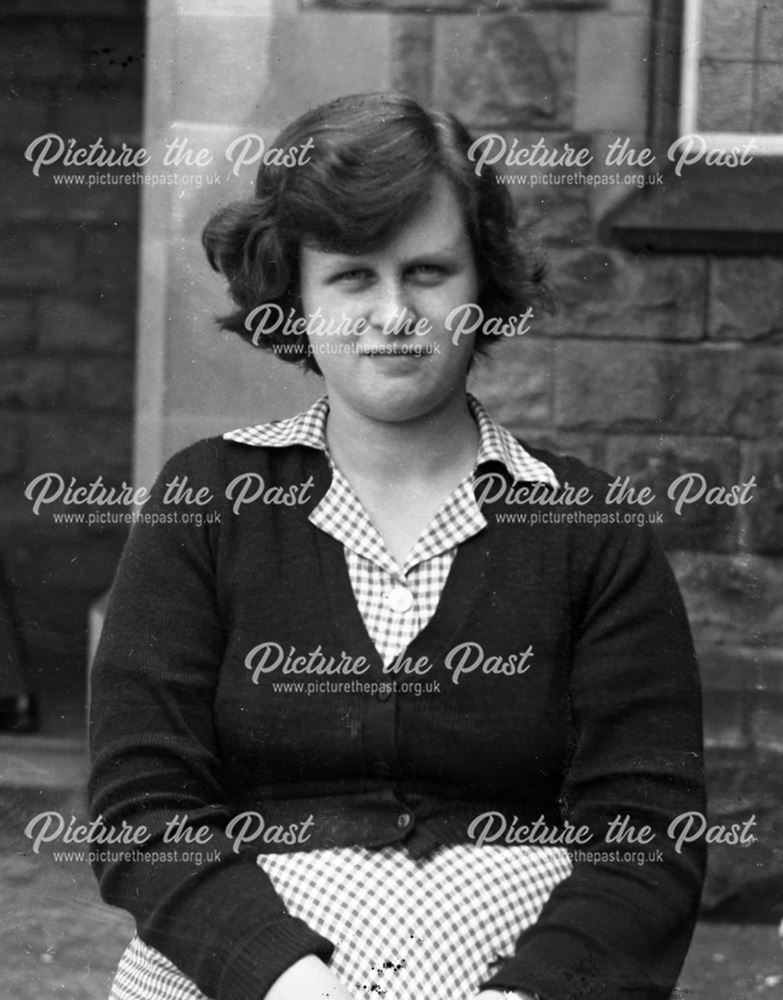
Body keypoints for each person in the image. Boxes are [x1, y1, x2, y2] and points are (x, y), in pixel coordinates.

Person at [89, 92, 706, 1000]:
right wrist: (287, 979)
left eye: (426, 273)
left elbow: (648, 832)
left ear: (481, 285)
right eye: (350, 276)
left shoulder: (586, 526)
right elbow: (143, 809)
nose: (393, 314)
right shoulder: (210, 502)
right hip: (243, 972)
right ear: (292, 294)